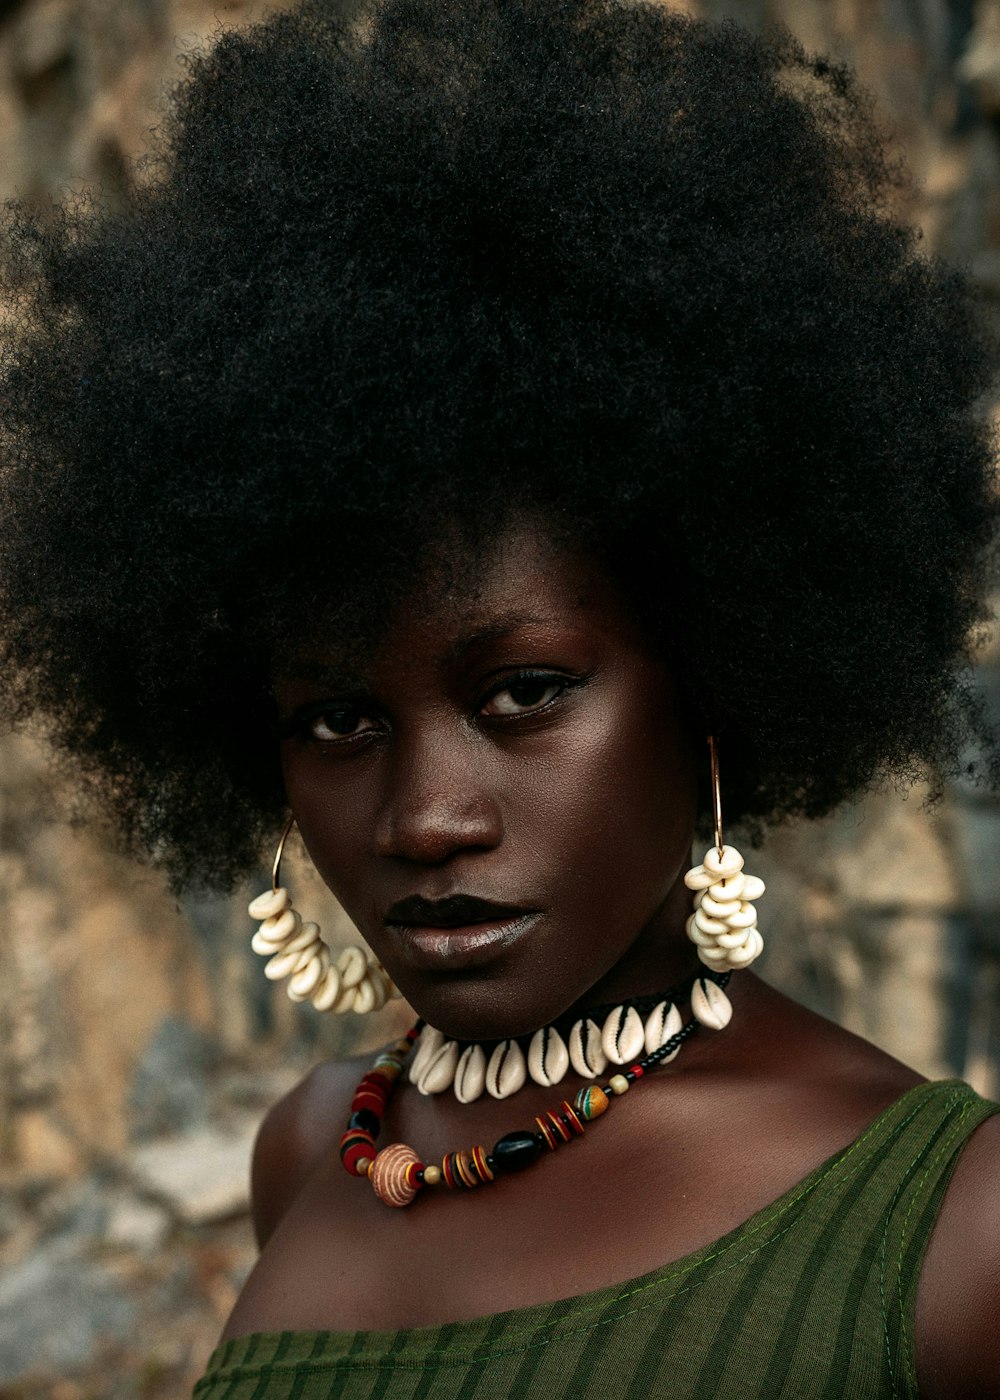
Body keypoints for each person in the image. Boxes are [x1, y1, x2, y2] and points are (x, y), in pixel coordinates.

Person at [0, 0, 997, 1395]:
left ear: (716, 676)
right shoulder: (313, 1155)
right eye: (338, 721)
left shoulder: (958, 1231)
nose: (426, 818)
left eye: (523, 692)